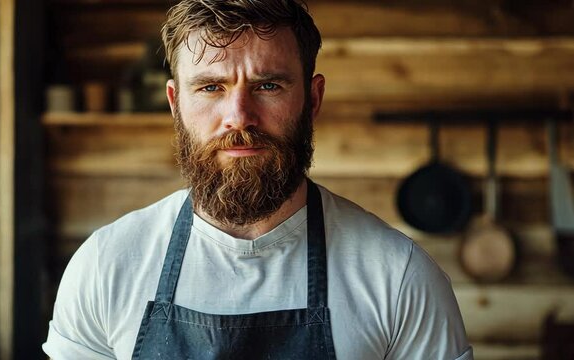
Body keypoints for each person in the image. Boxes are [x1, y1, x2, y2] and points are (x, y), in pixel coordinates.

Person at [43, 0, 473, 359]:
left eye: (268, 85)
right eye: (211, 87)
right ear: (175, 103)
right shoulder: (106, 265)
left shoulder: (398, 277)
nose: (239, 116)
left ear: (313, 98)